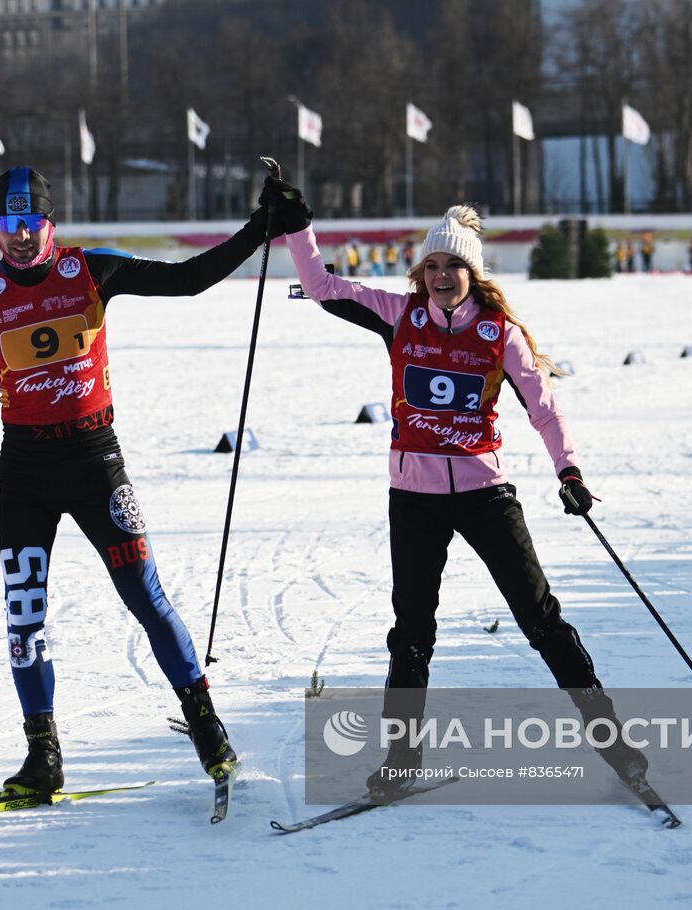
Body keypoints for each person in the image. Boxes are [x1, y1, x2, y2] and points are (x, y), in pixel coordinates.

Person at [0, 166, 312, 801]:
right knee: (24, 616)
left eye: (29, 223)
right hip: (26, 474)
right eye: (6, 225)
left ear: (50, 224)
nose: (17, 237)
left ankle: (207, 729)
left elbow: (188, 280)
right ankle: (44, 756)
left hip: (95, 462)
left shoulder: (91, 269)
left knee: (146, 598)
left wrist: (260, 230)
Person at [276, 187, 650, 799]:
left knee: (541, 620)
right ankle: (402, 760)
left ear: (472, 274)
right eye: (433, 265)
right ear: (421, 271)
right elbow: (321, 287)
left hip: (483, 492)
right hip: (414, 497)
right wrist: (298, 227)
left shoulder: (500, 335)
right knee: (411, 631)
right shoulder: (400, 316)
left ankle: (615, 745)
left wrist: (570, 473)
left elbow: (546, 411)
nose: (442, 275)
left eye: (453, 266)